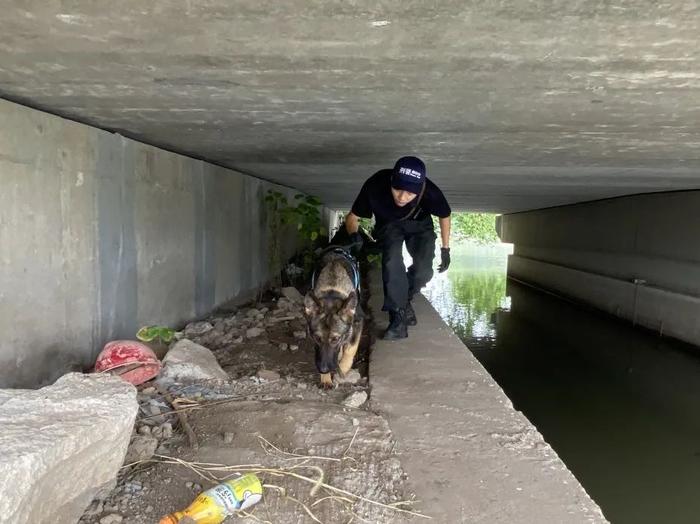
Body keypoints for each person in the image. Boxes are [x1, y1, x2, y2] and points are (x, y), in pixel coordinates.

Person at [345, 156, 451, 340]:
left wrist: (446, 249)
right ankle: (397, 317)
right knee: (392, 260)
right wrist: (354, 238)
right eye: (397, 190)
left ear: (419, 191)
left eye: (410, 194)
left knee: (424, 272)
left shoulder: (431, 192)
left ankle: (404, 297)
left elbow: (445, 215)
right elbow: (352, 217)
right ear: (391, 180)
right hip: (389, 225)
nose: (402, 197)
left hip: (420, 225)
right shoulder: (376, 184)